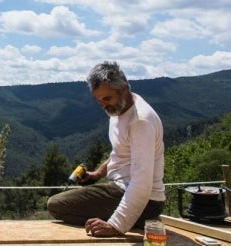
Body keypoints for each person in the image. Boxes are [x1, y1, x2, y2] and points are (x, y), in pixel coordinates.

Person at [46, 61, 165, 236]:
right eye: (98, 100)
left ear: (123, 89)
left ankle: (138, 217)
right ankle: (137, 217)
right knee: (61, 203)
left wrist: (115, 225)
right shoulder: (120, 108)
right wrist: (97, 174)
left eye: (107, 98)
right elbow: (119, 152)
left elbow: (142, 181)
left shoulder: (140, 122)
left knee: (57, 205)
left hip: (146, 200)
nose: (103, 105)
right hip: (126, 189)